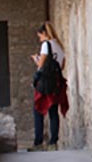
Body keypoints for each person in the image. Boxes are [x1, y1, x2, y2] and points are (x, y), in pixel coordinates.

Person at [29, 22, 68, 150]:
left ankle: (38, 143)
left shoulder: (46, 45)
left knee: (38, 110)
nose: (40, 38)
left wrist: (36, 58)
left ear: (44, 34)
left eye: (40, 36)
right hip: (56, 83)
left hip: (45, 83)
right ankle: (53, 143)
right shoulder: (59, 46)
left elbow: (41, 64)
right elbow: (61, 66)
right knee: (53, 112)